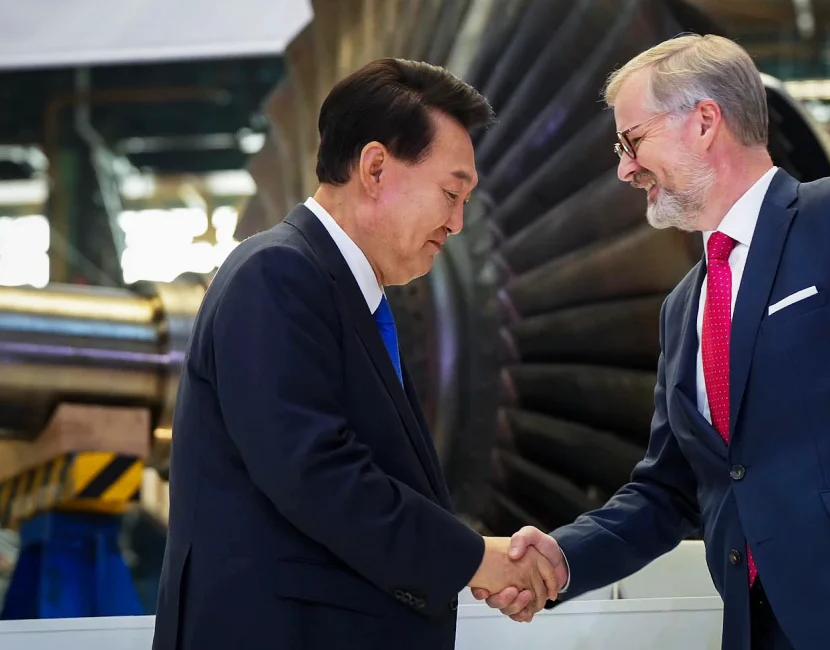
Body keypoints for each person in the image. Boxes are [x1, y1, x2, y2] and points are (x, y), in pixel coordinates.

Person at [473, 34, 830, 650]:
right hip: (753, 629)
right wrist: (562, 558)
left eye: (632, 140)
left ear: (703, 122)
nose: (624, 168)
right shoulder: (682, 307)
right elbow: (666, 490)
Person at [151, 58, 560, 650]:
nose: (458, 222)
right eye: (451, 192)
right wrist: (476, 558)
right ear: (374, 168)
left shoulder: (344, 297)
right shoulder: (277, 273)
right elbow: (315, 473)